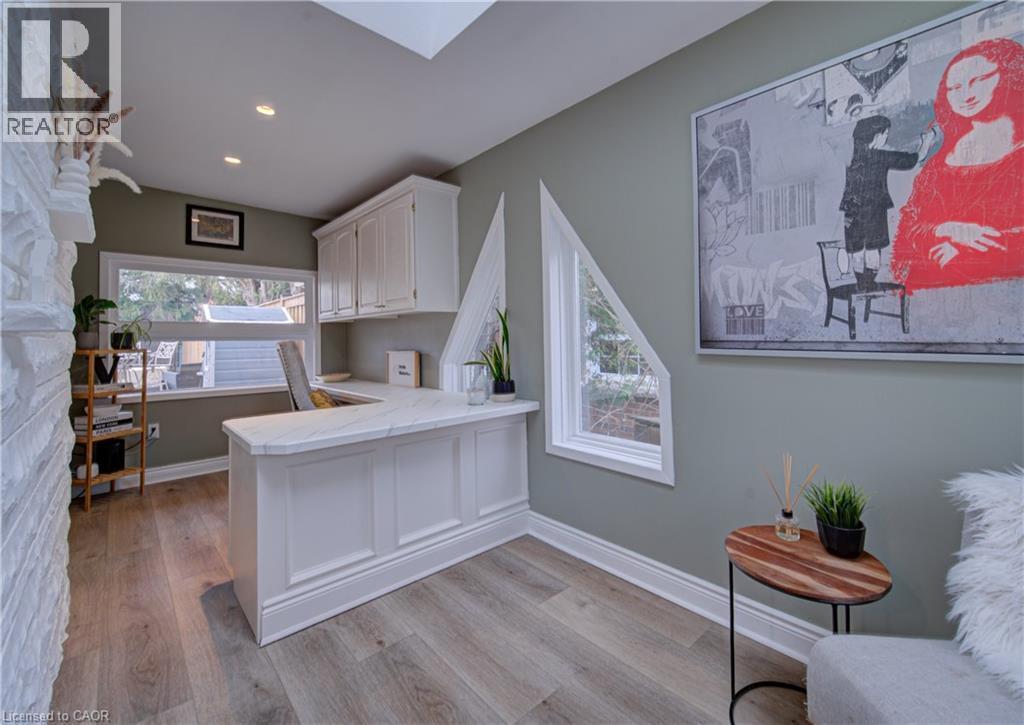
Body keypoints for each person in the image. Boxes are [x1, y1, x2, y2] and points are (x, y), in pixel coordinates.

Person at [891, 38, 1024, 293]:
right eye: (954, 87)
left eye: (978, 80)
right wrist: (947, 229)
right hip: (929, 295)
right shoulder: (938, 165)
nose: (965, 94)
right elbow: (908, 225)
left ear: (1009, 75)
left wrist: (964, 248)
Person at [839, 115, 936, 288]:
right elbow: (912, 160)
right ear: (877, 135)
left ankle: (862, 284)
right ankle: (868, 285)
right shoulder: (879, 156)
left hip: (851, 210)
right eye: (885, 134)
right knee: (872, 249)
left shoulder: (852, 156)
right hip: (874, 209)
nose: (886, 138)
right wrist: (926, 142)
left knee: (857, 250)